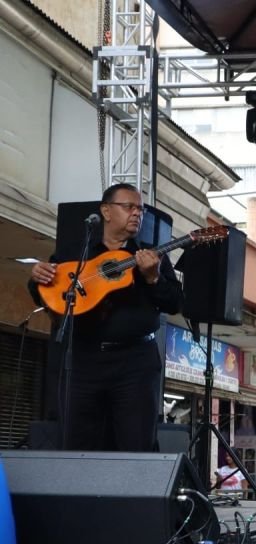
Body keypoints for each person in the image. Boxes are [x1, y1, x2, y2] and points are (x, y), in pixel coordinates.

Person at [27, 183, 182, 452]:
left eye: (140, 209)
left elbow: (175, 303)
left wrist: (153, 278)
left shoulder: (151, 255)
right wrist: (36, 279)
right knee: (77, 444)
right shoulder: (76, 252)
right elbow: (48, 294)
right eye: (129, 207)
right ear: (106, 211)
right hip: (83, 360)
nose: (137, 213)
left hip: (135, 363)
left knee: (136, 444)